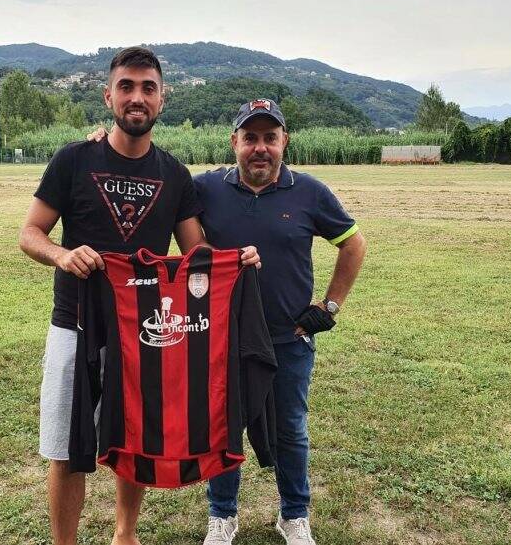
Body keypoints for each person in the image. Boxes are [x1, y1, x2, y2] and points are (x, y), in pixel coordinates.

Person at [19, 47, 259, 545]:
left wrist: (235, 262)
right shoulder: (73, 159)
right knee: (66, 447)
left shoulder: (173, 175)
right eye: (126, 86)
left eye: (148, 88)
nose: (136, 97)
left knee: (135, 439)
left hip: (144, 332)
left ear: (162, 100)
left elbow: (197, 253)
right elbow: (31, 233)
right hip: (76, 323)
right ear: (109, 95)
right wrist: (62, 256)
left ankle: (124, 535)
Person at [194, 99, 366, 545]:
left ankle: (293, 515)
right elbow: (155, 186)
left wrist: (328, 308)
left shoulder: (309, 191)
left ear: (284, 141)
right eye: (250, 137)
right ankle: (222, 515)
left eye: (270, 137)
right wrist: (102, 142)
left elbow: (353, 245)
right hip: (224, 338)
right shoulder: (206, 189)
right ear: (234, 142)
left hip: (290, 338)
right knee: (225, 425)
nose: (260, 148)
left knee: (290, 427)